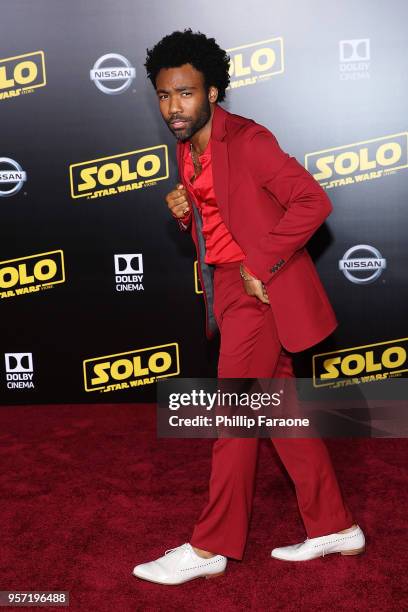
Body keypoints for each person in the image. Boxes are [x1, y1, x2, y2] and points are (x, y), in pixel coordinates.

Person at [133, 29, 365, 585]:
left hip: (257, 291)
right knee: (278, 412)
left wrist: (260, 265)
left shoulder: (250, 140)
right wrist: (186, 211)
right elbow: (223, 215)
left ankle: (211, 546)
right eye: (164, 95)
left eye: (185, 93)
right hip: (228, 287)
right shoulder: (188, 144)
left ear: (213, 91)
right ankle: (335, 526)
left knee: (233, 415)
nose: (173, 107)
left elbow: (314, 200)